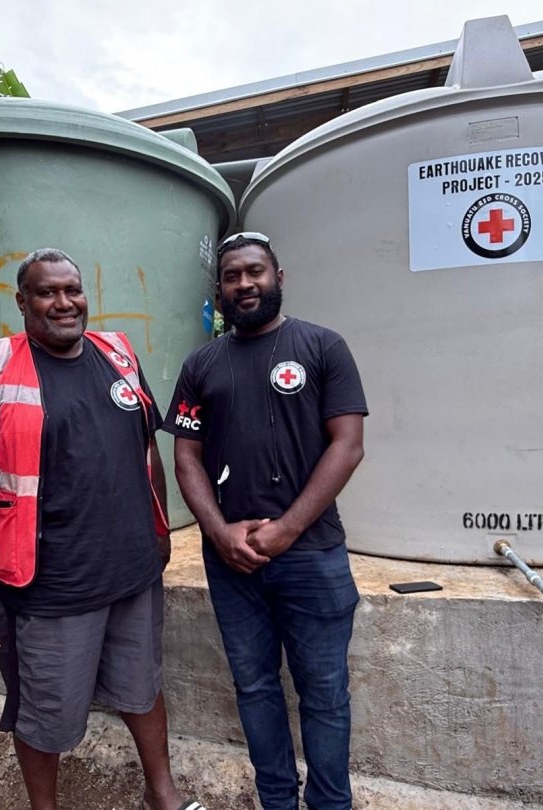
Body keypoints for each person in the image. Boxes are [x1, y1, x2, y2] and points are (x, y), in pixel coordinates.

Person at [0, 247, 205, 810]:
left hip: (133, 573)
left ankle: (162, 795)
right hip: (49, 586)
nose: (64, 302)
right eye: (47, 292)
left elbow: (147, 450)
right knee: (47, 717)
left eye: (72, 290)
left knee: (141, 688)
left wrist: (160, 532)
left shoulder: (118, 354)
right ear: (23, 302)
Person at [164, 232, 367, 810]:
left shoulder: (323, 346)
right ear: (220, 289)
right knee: (254, 688)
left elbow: (348, 445)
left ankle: (330, 804)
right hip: (233, 563)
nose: (245, 284)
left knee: (324, 694)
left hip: (312, 555)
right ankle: (276, 801)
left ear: (279, 276)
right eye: (232, 276)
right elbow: (186, 457)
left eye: (255, 271)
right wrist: (218, 532)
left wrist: (288, 528)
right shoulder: (201, 364)